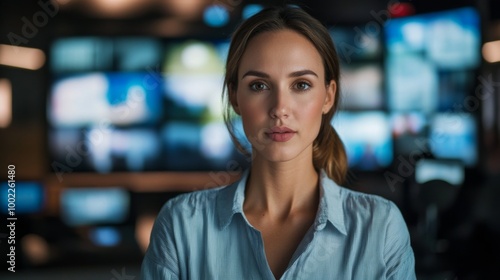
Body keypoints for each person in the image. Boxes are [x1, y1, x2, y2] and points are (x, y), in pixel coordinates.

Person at [141, 6, 416, 280]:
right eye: (259, 85)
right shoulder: (181, 225)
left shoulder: (380, 228)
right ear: (235, 97)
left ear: (328, 96)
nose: (280, 108)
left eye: (301, 85)